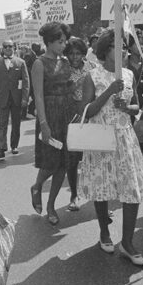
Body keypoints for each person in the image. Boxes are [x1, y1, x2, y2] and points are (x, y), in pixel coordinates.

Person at [79, 29, 143, 265]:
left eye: (123, 45)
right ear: (105, 50)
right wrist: (109, 92)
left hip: (125, 137)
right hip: (101, 138)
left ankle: (128, 243)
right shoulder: (93, 75)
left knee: (131, 190)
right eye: (116, 45)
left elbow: (138, 109)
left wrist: (127, 108)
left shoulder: (129, 74)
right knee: (102, 189)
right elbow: (86, 111)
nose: (121, 49)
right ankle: (104, 231)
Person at [30, 21, 73, 226]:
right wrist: (44, 123)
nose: (63, 45)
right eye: (59, 42)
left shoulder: (65, 62)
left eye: (65, 41)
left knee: (64, 164)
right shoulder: (39, 63)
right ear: (48, 42)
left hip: (66, 117)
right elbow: (38, 96)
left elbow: (72, 86)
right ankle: (37, 185)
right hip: (49, 116)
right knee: (50, 162)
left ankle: (51, 206)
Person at [64, 37, 94, 211]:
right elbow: (64, 90)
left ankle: (97, 197)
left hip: (92, 114)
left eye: (78, 53)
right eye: (71, 54)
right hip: (72, 116)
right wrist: (80, 82)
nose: (75, 57)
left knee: (92, 157)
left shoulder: (92, 67)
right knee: (72, 160)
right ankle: (74, 195)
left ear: (84, 53)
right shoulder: (64, 70)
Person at [0, 39, 30, 159]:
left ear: (14, 48)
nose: (8, 48)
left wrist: (25, 98)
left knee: (16, 123)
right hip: (2, 98)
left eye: (10, 46)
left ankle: (14, 146)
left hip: (16, 98)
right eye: (5, 46)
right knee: (2, 123)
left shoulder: (20, 62)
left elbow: (26, 82)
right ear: (2, 49)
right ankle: (1, 148)